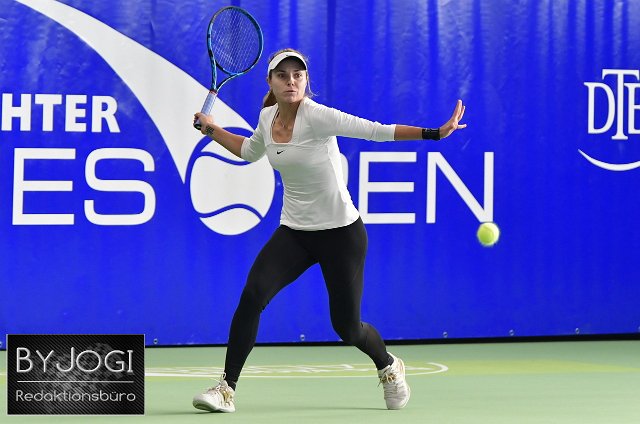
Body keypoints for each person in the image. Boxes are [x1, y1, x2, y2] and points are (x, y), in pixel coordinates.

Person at [191, 48, 466, 413]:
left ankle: (388, 365)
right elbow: (249, 150)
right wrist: (211, 129)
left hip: (341, 235)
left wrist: (434, 133)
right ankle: (226, 389)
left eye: (298, 75)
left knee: (347, 328)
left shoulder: (318, 117)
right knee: (253, 295)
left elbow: (375, 131)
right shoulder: (267, 117)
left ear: (306, 80)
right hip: (295, 232)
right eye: (283, 75)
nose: (291, 81)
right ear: (270, 82)